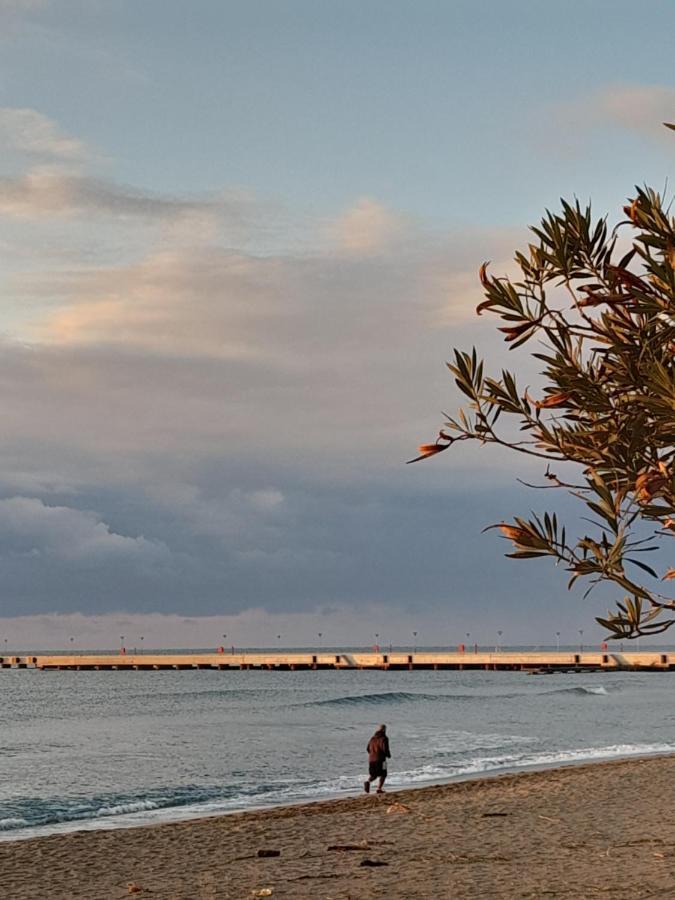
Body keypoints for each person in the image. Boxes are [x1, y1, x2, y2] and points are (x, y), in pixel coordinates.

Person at [364, 724, 390, 794]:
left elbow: (367, 748)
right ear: (384, 730)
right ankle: (379, 788)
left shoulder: (372, 738)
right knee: (384, 774)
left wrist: (372, 754)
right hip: (381, 760)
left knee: (373, 775)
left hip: (371, 759)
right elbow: (385, 748)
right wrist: (388, 755)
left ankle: (368, 781)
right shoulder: (384, 738)